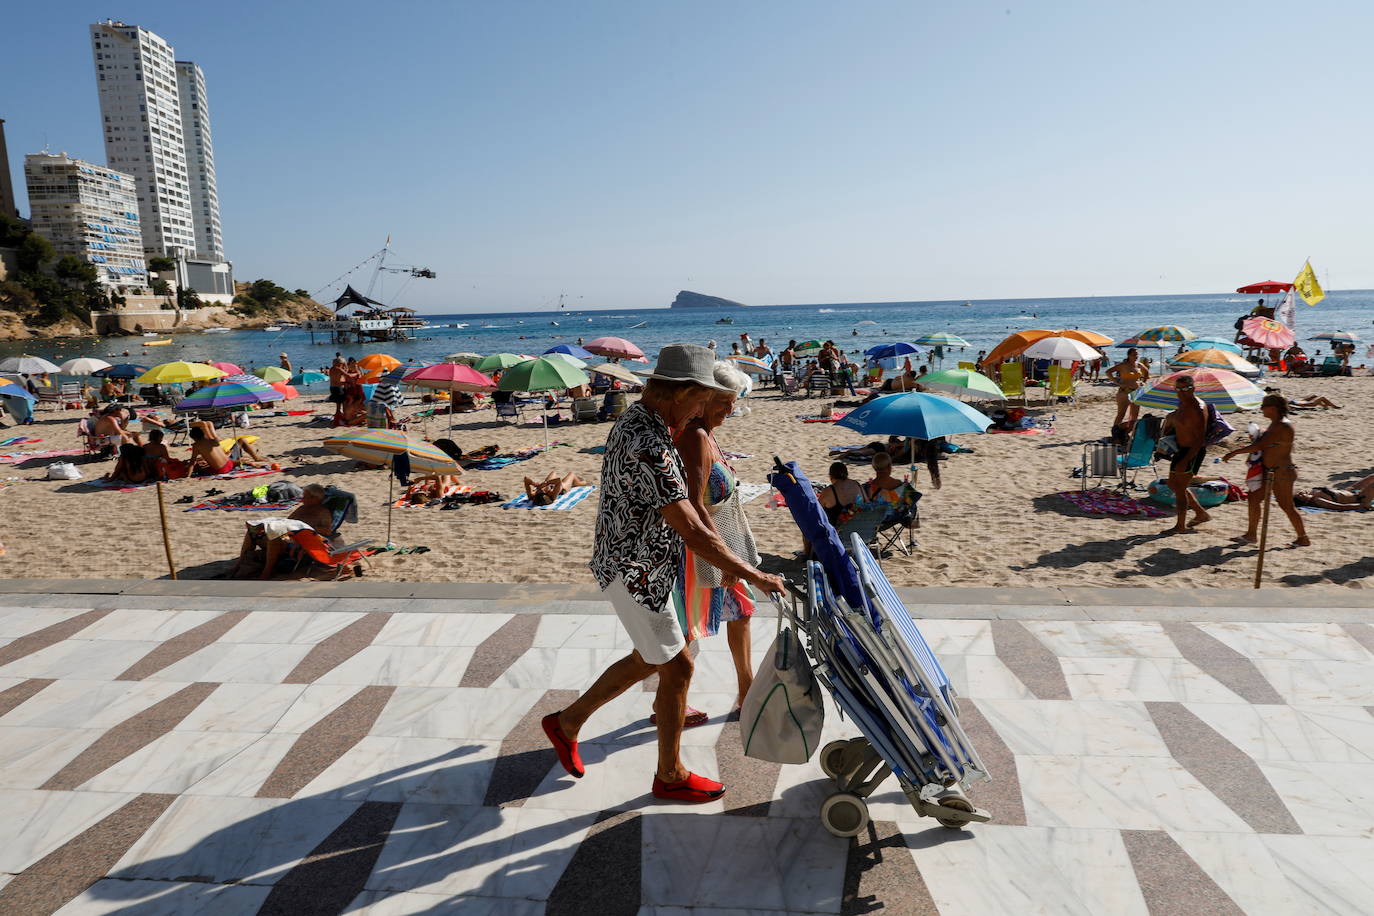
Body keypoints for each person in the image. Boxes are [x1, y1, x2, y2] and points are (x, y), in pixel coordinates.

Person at [542, 343, 783, 803]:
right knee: (678, 666)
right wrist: (751, 572)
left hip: (639, 563)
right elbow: (690, 524)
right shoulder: (649, 442)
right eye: (700, 399)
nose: (701, 410)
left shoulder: (639, 419)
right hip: (635, 570)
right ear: (681, 392)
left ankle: (568, 721)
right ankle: (669, 774)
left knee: (654, 659)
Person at [670, 361, 758, 717]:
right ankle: (672, 705)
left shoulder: (703, 433)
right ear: (703, 398)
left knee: (736, 615)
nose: (730, 409)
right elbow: (694, 502)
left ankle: (746, 691)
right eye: (723, 402)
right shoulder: (694, 436)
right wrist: (722, 557)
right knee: (687, 626)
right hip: (701, 551)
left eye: (733, 401)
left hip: (710, 546)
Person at [1222, 394, 1310, 547]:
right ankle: (1251, 535)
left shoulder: (1283, 425)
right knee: (1253, 498)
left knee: (1287, 506)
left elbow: (1260, 445)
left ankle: (1303, 537)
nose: (1261, 409)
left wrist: (1234, 452)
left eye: (1264, 406)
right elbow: (1266, 443)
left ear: (1273, 408)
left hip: (1282, 472)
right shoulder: (1275, 424)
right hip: (1270, 471)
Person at [230, 483, 334, 579]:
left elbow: (327, 531)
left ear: (315, 498)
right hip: (289, 536)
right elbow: (288, 521)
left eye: (305, 497)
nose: (302, 499)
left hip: (301, 541)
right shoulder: (301, 509)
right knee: (251, 531)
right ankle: (240, 564)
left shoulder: (323, 512)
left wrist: (305, 527)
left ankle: (267, 571)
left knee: (274, 537)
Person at [1162, 376, 1210, 533]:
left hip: (1192, 451)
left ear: (1193, 388)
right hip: (1180, 449)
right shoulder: (1183, 404)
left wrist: (1187, 459)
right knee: (1173, 484)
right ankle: (1201, 513)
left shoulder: (1198, 408)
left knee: (1180, 488)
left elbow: (1200, 438)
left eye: (1185, 389)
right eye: (1178, 389)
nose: (1181, 393)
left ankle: (1180, 526)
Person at [1106, 348, 1150, 432]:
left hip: (1137, 392)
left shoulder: (1139, 365)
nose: (1136, 356)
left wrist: (1143, 382)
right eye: (1134, 354)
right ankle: (1115, 432)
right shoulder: (1123, 365)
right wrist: (1117, 382)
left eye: (1137, 354)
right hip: (1124, 392)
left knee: (1134, 416)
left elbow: (1147, 372)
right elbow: (1108, 372)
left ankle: (1128, 432)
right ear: (1129, 355)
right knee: (1121, 414)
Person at [1294, 474, 1374, 511]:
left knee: (1371, 476)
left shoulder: (1312, 493)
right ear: (1304, 501)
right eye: (1300, 495)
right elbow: (1340, 506)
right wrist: (1362, 505)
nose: (1301, 493)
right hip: (1359, 498)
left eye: (1299, 493)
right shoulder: (1318, 500)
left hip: (1349, 490)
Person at [523, 470, 590, 506]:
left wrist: (534, 484)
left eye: (538, 490)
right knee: (571, 474)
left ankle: (576, 481)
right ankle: (581, 483)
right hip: (562, 488)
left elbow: (526, 479)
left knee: (553, 473)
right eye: (542, 490)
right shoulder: (552, 495)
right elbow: (558, 481)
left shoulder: (532, 495)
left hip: (551, 485)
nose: (540, 489)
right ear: (546, 494)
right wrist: (546, 483)